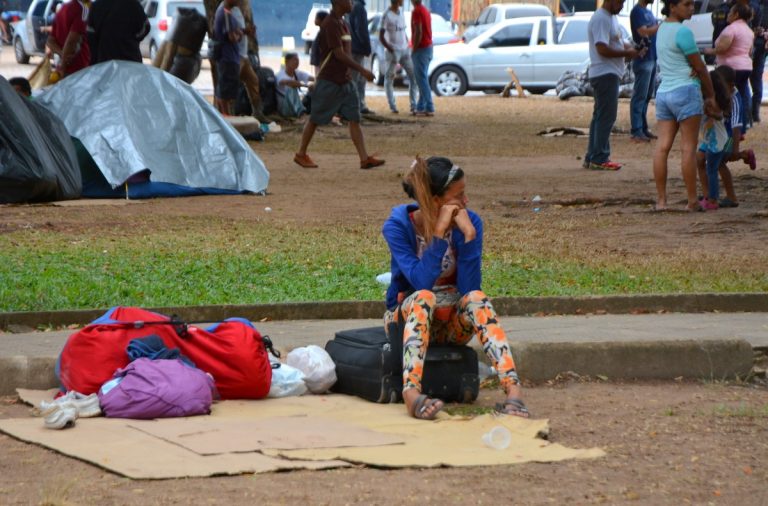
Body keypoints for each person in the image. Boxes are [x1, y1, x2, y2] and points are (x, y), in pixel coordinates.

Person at [382, 156, 529, 421]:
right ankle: (411, 393)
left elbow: (469, 288)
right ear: (436, 201)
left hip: (450, 324)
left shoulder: (469, 223)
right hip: (405, 320)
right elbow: (420, 282)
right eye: (459, 196)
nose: (466, 201)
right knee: (424, 297)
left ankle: (513, 390)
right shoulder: (397, 227)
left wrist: (469, 237)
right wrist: (438, 235)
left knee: (477, 299)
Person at [293, 0, 384, 170]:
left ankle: (364, 159)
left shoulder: (343, 23)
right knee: (315, 118)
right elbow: (339, 54)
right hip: (330, 82)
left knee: (354, 118)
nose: (351, 2)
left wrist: (353, 72)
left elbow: (345, 52)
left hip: (346, 81)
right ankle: (301, 154)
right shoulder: (330, 24)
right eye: (348, 0)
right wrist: (362, 70)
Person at [653, 0, 719, 211]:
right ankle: (692, 201)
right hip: (685, 91)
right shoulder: (683, 32)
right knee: (688, 149)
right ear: (672, 6)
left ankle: (661, 201)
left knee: (662, 148)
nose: (692, 8)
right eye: (687, 4)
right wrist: (711, 96)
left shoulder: (661, 29)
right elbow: (700, 67)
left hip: (664, 93)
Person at [583, 0, 643, 171]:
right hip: (605, 73)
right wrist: (626, 53)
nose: (623, 5)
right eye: (621, 1)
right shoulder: (601, 18)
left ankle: (592, 155)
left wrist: (633, 49)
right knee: (606, 117)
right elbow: (602, 48)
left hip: (609, 72)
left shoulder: (611, 18)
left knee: (600, 116)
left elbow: (617, 41)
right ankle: (600, 157)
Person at [697, 65, 757, 208]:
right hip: (713, 135)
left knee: (722, 161)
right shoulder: (716, 94)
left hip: (729, 135)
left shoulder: (735, 99)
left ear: (730, 85)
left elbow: (736, 126)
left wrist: (735, 147)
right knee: (700, 159)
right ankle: (708, 194)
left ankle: (731, 197)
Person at [702, 3, 754, 134]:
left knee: (727, 96)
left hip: (730, 68)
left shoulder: (731, 29)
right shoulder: (749, 31)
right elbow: (750, 51)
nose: (728, 15)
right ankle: (742, 124)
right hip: (746, 67)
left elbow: (722, 48)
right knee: (741, 95)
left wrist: (709, 51)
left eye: (730, 12)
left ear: (736, 14)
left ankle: (729, 125)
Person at [230, 0, 268, 123]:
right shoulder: (226, 11)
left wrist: (247, 31)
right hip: (235, 56)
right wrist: (245, 32)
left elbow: (239, 30)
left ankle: (257, 113)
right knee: (231, 85)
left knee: (253, 80)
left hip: (243, 55)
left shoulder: (237, 10)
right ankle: (229, 115)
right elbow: (230, 35)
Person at [630, 0, 660, 143]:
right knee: (640, 96)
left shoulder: (647, 11)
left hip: (651, 57)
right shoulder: (637, 11)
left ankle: (642, 128)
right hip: (643, 59)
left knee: (647, 96)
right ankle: (636, 130)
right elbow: (642, 31)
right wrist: (659, 27)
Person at [380, 0, 416, 114]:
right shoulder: (386, 15)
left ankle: (413, 105)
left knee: (413, 77)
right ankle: (392, 106)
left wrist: (406, 42)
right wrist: (390, 49)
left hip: (404, 50)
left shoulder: (401, 12)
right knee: (389, 78)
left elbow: (402, 30)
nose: (403, 1)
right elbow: (381, 36)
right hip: (393, 52)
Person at [87, 0, 149, 65]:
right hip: (131, 61)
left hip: (104, 62)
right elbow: (145, 28)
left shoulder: (96, 6)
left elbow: (91, 38)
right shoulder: (133, 4)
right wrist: (133, 39)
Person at [46, 0, 90, 79]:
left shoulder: (62, 9)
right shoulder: (82, 9)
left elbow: (50, 41)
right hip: (78, 67)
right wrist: (63, 64)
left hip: (62, 67)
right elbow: (72, 40)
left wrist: (61, 54)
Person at [213, 0, 242, 116]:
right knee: (225, 90)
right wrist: (239, 34)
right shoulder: (225, 14)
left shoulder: (226, 13)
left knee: (226, 88)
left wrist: (239, 32)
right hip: (228, 57)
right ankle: (225, 114)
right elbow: (232, 37)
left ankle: (225, 113)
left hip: (229, 57)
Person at [346, 0, 373, 114]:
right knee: (357, 80)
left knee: (356, 79)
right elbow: (361, 30)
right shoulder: (359, 7)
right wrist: (367, 47)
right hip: (358, 49)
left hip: (351, 47)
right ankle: (356, 106)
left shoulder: (349, 6)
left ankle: (358, 105)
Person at [411, 0, 434, 116]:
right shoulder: (425, 10)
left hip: (421, 48)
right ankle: (420, 106)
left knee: (422, 80)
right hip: (428, 47)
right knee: (422, 78)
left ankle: (429, 106)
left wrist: (414, 47)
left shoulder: (417, 11)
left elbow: (418, 31)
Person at [276, 52, 314, 118]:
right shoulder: (280, 74)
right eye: (294, 60)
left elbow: (312, 78)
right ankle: (301, 114)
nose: (297, 62)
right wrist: (306, 85)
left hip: (292, 104)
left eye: (298, 60)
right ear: (286, 61)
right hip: (283, 107)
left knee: (314, 89)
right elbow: (288, 82)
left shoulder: (297, 72)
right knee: (291, 88)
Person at [749, 0, 767, 122]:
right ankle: (753, 113)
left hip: (759, 44)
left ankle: (753, 113)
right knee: (754, 78)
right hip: (755, 43)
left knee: (754, 78)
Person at [310, 10, 329, 75]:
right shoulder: (321, 32)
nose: (314, 20)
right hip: (318, 63)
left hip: (321, 63)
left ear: (322, 20)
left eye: (316, 18)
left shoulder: (324, 33)